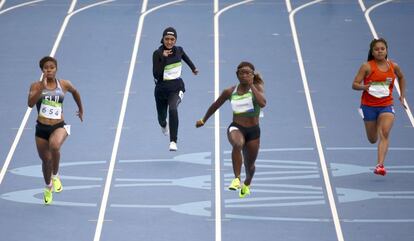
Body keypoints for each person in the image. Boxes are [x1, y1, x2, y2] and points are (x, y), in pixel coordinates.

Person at [196, 61, 266, 198]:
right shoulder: (230, 91)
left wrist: (252, 85)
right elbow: (215, 105)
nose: (244, 75)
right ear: (237, 75)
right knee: (238, 144)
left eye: (248, 73)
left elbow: (263, 103)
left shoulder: (257, 88)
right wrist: (203, 120)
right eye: (242, 73)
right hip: (236, 127)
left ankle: (247, 183)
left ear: (252, 75)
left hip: (253, 131)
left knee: (250, 165)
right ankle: (237, 179)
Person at [27, 56, 84, 204]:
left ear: (56, 69)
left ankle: (56, 175)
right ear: (42, 70)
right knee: (46, 161)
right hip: (41, 128)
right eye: (46, 68)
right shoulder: (35, 86)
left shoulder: (64, 84)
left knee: (55, 146)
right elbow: (30, 104)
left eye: (52, 67)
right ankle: (47, 187)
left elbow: (75, 92)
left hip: (59, 125)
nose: (49, 70)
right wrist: (41, 89)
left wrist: (80, 109)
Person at [352, 38, 406, 176]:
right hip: (368, 106)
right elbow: (355, 84)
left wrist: (402, 95)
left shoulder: (394, 66)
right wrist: (365, 87)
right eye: (377, 49)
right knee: (372, 139)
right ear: (372, 52)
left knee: (385, 133)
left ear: (386, 50)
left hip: (386, 105)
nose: (380, 51)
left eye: (382, 48)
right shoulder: (367, 66)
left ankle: (380, 165)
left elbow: (401, 77)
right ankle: (376, 123)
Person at [152, 27, 198, 151]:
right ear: (162, 39)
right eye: (167, 39)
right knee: (161, 118)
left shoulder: (179, 50)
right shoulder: (157, 53)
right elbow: (156, 74)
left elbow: (186, 58)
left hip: (176, 88)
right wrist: (163, 58)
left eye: (172, 39)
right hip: (161, 90)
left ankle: (173, 141)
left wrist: (193, 68)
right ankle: (163, 124)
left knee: (173, 109)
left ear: (175, 40)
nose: (169, 42)